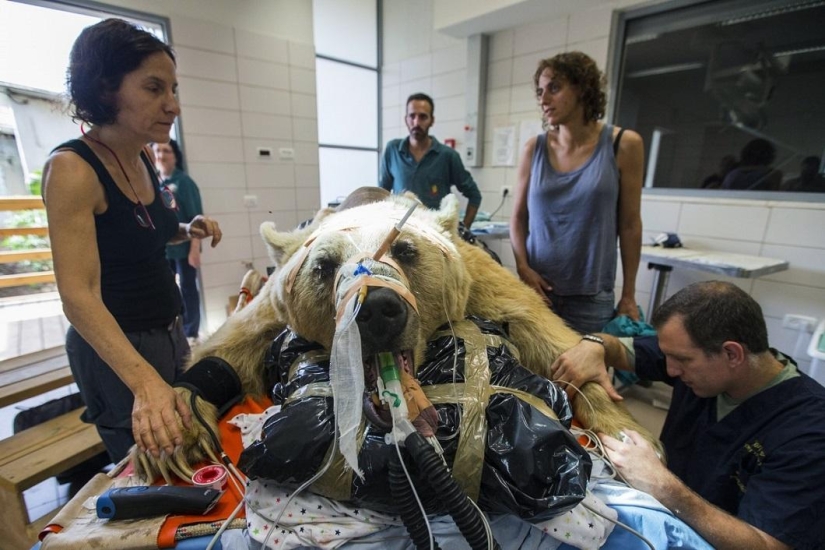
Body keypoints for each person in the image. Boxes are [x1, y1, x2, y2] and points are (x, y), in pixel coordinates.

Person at [41, 19, 222, 463]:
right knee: (149, 470)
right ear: (105, 89)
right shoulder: (72, 170)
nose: (172, 105)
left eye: (173, 89)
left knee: (190, 450)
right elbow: (78, 295)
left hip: (168, 330)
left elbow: (138, 232)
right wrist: (144, 383)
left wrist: (187, 228)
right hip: (118, 351)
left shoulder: (140, 154)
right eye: (154, 88)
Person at [551, 281, 825, 549]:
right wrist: (594, 344)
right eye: (668, 356)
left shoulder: (808, 433)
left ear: (732, 353)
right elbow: (617, 348)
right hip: (672, 516)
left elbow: (769, 544)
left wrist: (664, 487)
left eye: (682, 360)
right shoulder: (704, 362)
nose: (670, 370)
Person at [510, 52, 644, 334]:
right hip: (538, 291)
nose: (544, 100)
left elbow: (630, 225)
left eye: (554, 88)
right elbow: (518, 218)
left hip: (590, 297)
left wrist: (629, 295)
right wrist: (523, 268)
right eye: (540, 92)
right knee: (531, 363)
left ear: (583, 88)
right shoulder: (534, 149)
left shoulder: (623, 145)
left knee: (586, 363)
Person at [379, 93, 482, 228]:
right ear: (406, 119)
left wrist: (464, 229)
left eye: (423, 117)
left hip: (436, 233)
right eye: (412, 116)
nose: (416, 122)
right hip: (402, 232)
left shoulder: (448, 156)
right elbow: (381, 195)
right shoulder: (392, 150)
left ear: (432, 120)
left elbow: (474, 195)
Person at [153, 139, 204, 343]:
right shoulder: (153, 183)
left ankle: (192, 333)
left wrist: (194, 250)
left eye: (166, 150)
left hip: (184, 248)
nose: (161, 155)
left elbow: (196, 218)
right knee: (167, 291)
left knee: (188, 288)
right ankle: (177, 331)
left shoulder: (184, 182)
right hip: (163, 250)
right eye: (157, 150)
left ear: (175, 156)